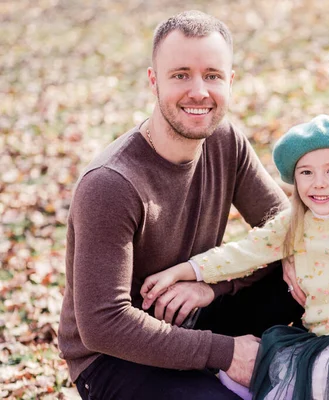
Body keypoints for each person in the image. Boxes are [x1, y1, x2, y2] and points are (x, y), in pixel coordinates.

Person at [57, 10, 303, 400]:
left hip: (195, 316)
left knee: (307, 273)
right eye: (180, 74)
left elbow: (292, 231)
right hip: (116, 358)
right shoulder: (110, 184)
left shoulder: (226, 142)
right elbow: (102, 324)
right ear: (153, 81)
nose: (199, 91)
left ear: (230, 82)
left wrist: (212, 283)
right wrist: (227, 352)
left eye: (212, 76)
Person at [140, 114, 329, 400]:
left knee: (309, 385)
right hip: (317, 339)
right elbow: (245, 252)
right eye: (306, 172)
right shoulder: (292, 224)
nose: (318, 182)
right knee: (257, 373)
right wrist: (187, 270)